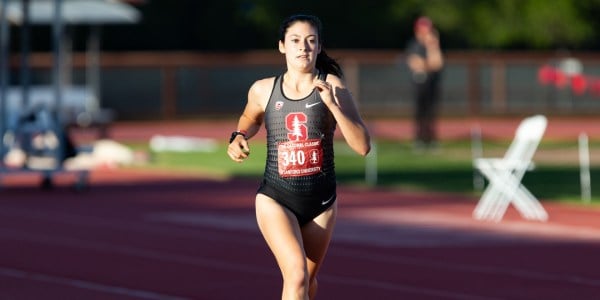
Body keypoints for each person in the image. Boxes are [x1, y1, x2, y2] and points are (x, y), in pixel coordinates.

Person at [227, 14, 371, 300]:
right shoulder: (263, 89)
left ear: (319, 47)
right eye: (295, 40)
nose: (303, 47)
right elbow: (249, 118)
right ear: (282, 46)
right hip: (276, 197)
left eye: (310, 41)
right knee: (295, 275)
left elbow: (363, 146)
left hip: (321, 202)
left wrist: (333, 105)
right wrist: (239, 135)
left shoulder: (333, 86)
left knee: (307, 281)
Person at [405, 16, 444, 151]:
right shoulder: (414, 45)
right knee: (419, 112)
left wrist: (433, 46)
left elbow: (437, 63)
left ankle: (431, 139)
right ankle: (419, 139)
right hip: (419, 85)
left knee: (431, 112)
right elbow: (416, 63)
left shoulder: (432, 46)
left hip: (432, 84)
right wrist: (428, 64)